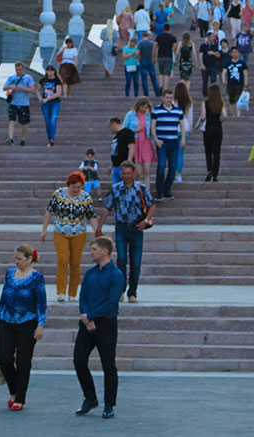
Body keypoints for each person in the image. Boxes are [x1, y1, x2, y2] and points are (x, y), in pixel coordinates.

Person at [73, 237, 127, 419]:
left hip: (106, 324)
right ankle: (90, 398)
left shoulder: (117, 275)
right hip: (87, 323)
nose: (91, 252)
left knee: (108, 365)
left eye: (94, 249)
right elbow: (83, 296)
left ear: (105, 251)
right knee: (79, 360)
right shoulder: (90, 273)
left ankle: (109, 404)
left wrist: (91, 316)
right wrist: (86, 318)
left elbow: (112, 302)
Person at [0, 244, 47, 411]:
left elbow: (42, 303)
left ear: (29, 259)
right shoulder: (10, 274)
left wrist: (40, 325)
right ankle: (13, 389)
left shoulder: (36, 278)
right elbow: (3, 296)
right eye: (15, 258)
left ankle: (20, 397)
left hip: (27, 322)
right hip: (7, 321)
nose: (16, 261)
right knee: (4, 357)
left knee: (23, 360)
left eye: (20, 258)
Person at [41, 172, 100, 302]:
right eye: (73, 187)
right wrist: (44, 230)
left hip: (79, 233)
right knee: (63, 259)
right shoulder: (59, 194)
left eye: (79, 187)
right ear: (69, 185)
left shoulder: (85, 197)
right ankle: (61, 291)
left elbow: (91, 216)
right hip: (61, 231)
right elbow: (49, 211)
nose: (76, 190)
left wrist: (98, 232)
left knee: (75, 263)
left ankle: (72, 293)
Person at [102, 163, 153, 303]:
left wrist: (146, 220)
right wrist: (99, 227)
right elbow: (107, 208)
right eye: (124, 173)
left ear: (134, 173)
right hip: (121, 228)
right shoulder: (116, 189)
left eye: (128, 173)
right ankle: (121, 290)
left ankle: (133, 292)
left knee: (135, 263)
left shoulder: (141, 188)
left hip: (137, 228)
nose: (126, 176)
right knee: (122, 260)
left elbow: (151, 205)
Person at [151, 88, 185, 200]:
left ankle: (167, 191)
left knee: (173, 167)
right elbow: (153, 126)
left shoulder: (178, 111)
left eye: (171, 98)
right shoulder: (156, 110)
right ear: (163, 98)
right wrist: (156, 139)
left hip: (174, 141)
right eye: (167, 97)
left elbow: (182, 126)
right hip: (162, 141)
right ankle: (159, 192)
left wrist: (183, 139)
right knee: (161, 166)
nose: (169, 100)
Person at [123, 98, 156, 188]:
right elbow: (124, 129)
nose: (144, 109)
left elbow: (152, 127)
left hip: (146, 142)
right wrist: (134, 130)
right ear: (138, 105)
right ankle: (136, 188)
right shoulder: (130, 114)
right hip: (135, 142)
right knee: (138, 171)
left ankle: (147, 192)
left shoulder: (148, 115)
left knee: (147, 170)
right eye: (142, 107)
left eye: (146, 107)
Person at [4, 61, 37, 146]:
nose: (18, 71)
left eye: (19, 69)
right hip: (13, 102)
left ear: (23, 69)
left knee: (24, 123)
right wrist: (11, 87)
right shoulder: (11, 78)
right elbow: (4, 87)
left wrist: (22, 88)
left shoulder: (28, 78)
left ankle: (23, 139)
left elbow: (32, 90)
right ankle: (10, 138)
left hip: (24, 103)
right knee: (11, 120)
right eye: (16, 69)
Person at [201, 84, 225, 182]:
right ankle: (215, 173)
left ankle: (209, 170)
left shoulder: (205, 102)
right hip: (218, 129)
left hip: (208, 129)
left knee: (208, 151)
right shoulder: (221, 102)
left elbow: (203, 116)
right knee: (217, 152)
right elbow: (225, 115)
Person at [39, 65, 64, 147]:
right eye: (48, 71)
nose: (50, 73)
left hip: (54, 103)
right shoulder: (43, 80)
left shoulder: (57, 81)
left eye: (51, 71)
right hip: (45, 104)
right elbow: (37, 90)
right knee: (47, 122)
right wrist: (40, 97)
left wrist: (48, 98)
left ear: (54, 72)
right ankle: (49, 139)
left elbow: (58, 93)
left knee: (53, 120)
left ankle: (52, 139)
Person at [108, 116, 135, 186]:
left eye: (110, 127)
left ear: (113, 124)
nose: (110, 129)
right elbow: (114, 152)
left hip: (124, 165)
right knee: (116, 187)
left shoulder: (128, 132)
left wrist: (129, 161)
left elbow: (132, 147)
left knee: (126, 185)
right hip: (115, 165)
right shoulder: (116, 136)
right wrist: (111, 166)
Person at [223, 46, 249, 117]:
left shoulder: (242, 63)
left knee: (238, 99)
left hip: (239, 84)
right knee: (231, 100)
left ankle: (238, 114)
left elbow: (245, 74)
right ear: (231, 53)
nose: (234, 53)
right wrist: (224, 80)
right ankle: (233, 113)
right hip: (230, 84)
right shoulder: (227, 62)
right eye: (233, 52)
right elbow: (224, 72)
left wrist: (246, 85)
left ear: (238, 53)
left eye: (236, 52)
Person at [199, 31, 223, 96]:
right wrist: (202, 64)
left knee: (213, 80)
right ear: (208, 37)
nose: (213, 38)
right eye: (212, 37)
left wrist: (213, 53)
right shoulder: (203, 45)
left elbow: (218, 54)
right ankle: (205, 94)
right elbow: (201, 54)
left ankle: (212, 94)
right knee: (205, 81)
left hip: (213, 65)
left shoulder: (215, 46)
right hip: (205, 65)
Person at [137, 29, 159, 97]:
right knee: (153, 78)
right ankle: (157, 92)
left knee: (144, 79)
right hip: (150, 61)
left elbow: (137, 52)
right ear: (148, 36)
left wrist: (138, 58)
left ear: (142, 36)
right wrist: (154, 58)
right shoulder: (151, 43)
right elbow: (155, 51)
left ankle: (146, 93)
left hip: (143, 61)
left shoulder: (140, 43)